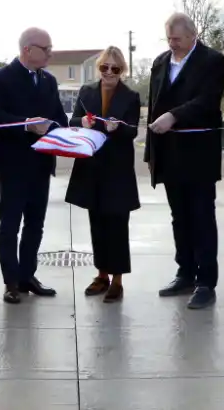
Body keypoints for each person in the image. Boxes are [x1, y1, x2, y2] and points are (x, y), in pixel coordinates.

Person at [0, 27, 69, 304]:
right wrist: (26, 124)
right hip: (14, 165)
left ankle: (27, 275)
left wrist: (75, 134)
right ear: (27, 49)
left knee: (35, 225)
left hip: (42, 164)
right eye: (47, 49)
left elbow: (57, 118)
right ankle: (11, 282)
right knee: (10, 225)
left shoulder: (49, 81)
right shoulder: (0, 79)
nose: (50, 54)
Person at [145, 12, 224, 309]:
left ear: (193, 35)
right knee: (179, 217)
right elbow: (155, 105)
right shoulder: (160, 62)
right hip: (168, 153)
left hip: (198, 155)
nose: (172, 44)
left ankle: (206, 282)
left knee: (202, 217)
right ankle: (185, 273)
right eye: (168, 38)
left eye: (177, 39)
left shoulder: (212, 61)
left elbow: (207, 100)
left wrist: (175, 116)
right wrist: (151, 152)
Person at [66, 46, 141, 303]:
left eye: (115, 68)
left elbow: (132, 131)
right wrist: (82, 123)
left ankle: (118, 280)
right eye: (104, 67)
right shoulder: (87, 91)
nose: (109, 72)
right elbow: (73, 122)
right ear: (98, 68)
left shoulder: (130, 96)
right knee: (96, 223)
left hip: (117, 171)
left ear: (122, 70)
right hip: (91, 168)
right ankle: (102, 275)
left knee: (117, 226)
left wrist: (116, 129)